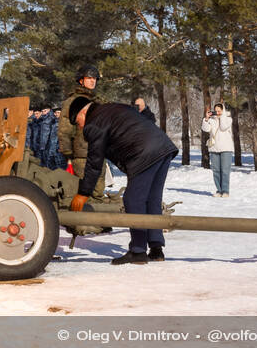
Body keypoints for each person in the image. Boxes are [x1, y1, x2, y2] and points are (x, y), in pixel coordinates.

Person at [68, 96, 179, 264]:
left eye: (78, 122)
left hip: (144, 153)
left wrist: (83, 193)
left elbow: (94, 162)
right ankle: (156, 248)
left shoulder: (94, 123)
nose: (80, 126)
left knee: (133, 200)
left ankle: (138, 250)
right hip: (162, 146)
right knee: (152, 199)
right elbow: (142, 120)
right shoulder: (113, 108)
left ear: (83, 112)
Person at [58, 65, 106, 200]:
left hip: (98, 151)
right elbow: (64, 129)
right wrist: (68, 153)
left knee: (98, 191)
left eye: (95, 78)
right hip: (81, 154)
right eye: (89, 78)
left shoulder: (97, 101)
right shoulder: (72, 101)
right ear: (81, 80)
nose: (93, 81)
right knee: (84, 192)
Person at [202, 103, 234, 197]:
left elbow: (223, 127)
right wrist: (207, 119)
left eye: (219, 110)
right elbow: (206, 129)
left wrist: (222, 116)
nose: (217, 112)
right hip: (214, 148)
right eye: (216, 110)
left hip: (226, 148)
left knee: (225, 170)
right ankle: (219, 191)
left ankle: (225, 191)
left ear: (223, 110)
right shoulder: (212, 120)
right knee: (216, 170)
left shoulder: (228, 119)